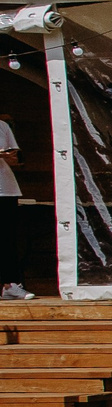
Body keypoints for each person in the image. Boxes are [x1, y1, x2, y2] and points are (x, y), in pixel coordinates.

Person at [0, 112, 24, 298]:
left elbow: (16, 158)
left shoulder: (3, 126)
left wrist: (10, 157)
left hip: (6, 189)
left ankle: (10, 286)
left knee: (8, 239)